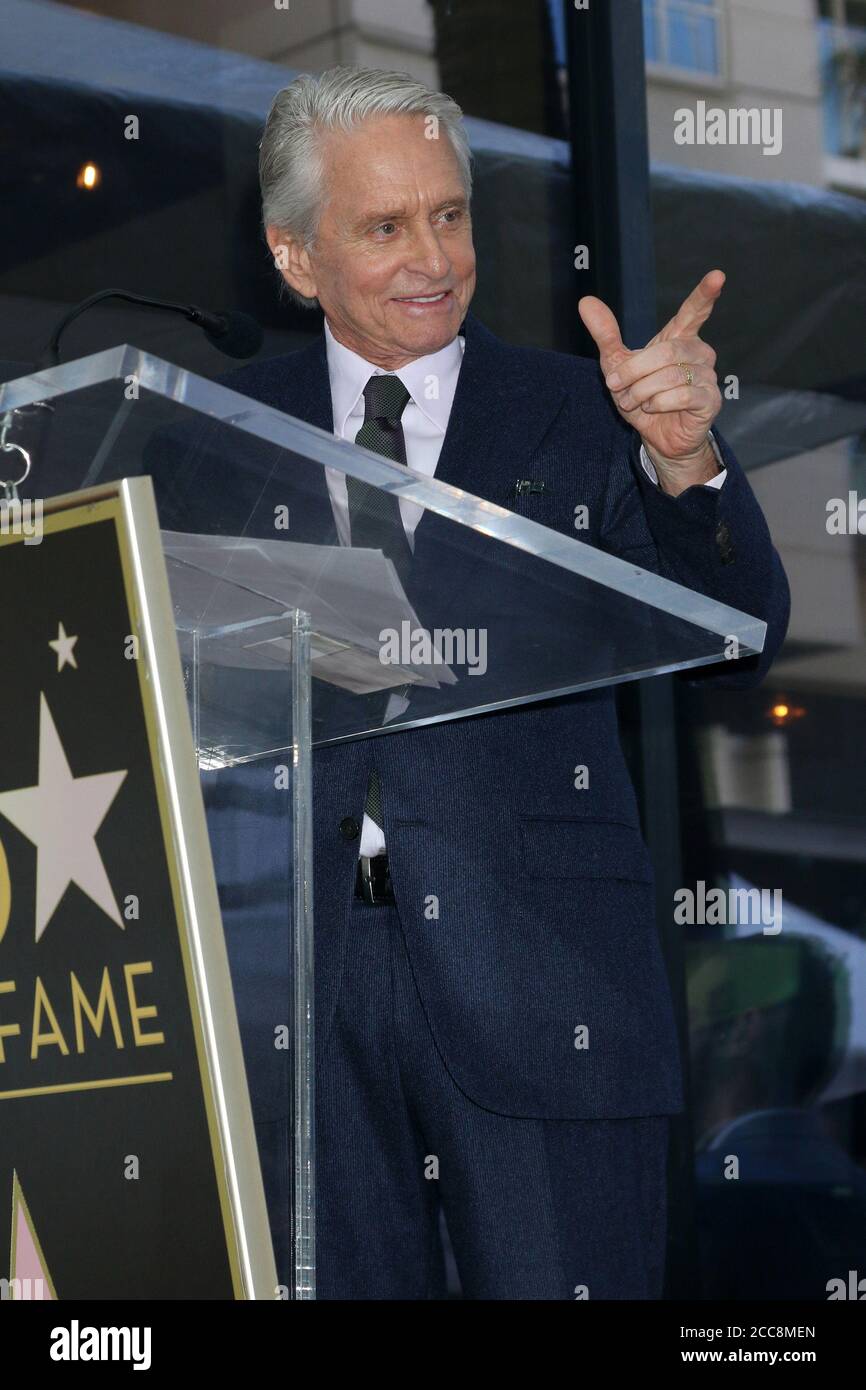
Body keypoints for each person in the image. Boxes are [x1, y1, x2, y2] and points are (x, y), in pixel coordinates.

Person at [213, 65, 790, 1299]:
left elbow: (742, 627)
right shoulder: (208, 430)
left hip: (542, 984)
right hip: (292, 1002)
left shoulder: (592, 411)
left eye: (450, 214)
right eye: (384, 226)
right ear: (294, 256)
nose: (433, 255)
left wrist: (685, 466)